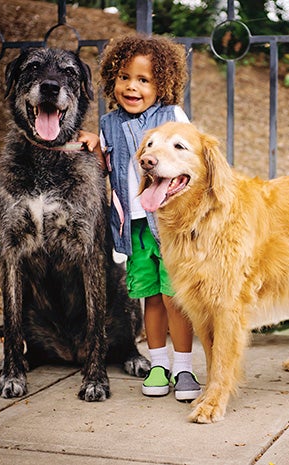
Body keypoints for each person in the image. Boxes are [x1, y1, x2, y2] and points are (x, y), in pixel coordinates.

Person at [80, 33, 201, 402]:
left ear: (161, 84)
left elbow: (190, 161)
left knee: (175, 296)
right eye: (124, 78)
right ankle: (159, 364)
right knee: (149, 297)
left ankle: (184, 368)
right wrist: (97, 147)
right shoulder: (109, 122)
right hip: (132, 226)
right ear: (112, 79)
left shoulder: (171, 117)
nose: (132, 87)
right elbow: (111, 169)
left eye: (144, 80)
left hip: (170, 225)